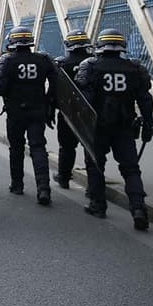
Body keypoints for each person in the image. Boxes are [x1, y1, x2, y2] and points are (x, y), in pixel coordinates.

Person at [75, 29, 153, 230]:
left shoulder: (90, 66)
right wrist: (149, 124)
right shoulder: (134, 68)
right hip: (124, 127)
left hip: (97, 127)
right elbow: (145, 99)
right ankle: (138, 209)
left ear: (100, 46)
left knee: (95, 165)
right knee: (131, 169)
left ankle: (98, 205)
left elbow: (83, 100)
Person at [0, 26, 57, 206]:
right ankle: (43, 187)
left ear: (12, 42)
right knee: (38, 147)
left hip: (15, 111)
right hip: (38, 109)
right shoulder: (43, 59)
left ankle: (17, 184)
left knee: (16, 147)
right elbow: (56, 84)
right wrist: (48, 103)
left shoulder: (7, 60)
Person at [52, 30, 94, 189]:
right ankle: (93, 186)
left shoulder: (62, 64)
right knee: (90, 149)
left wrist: (51, 110)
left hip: (68, 112)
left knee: (67, 147)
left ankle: (64, 177)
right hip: (90, 114)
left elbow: (55, 91)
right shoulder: (94, 62)